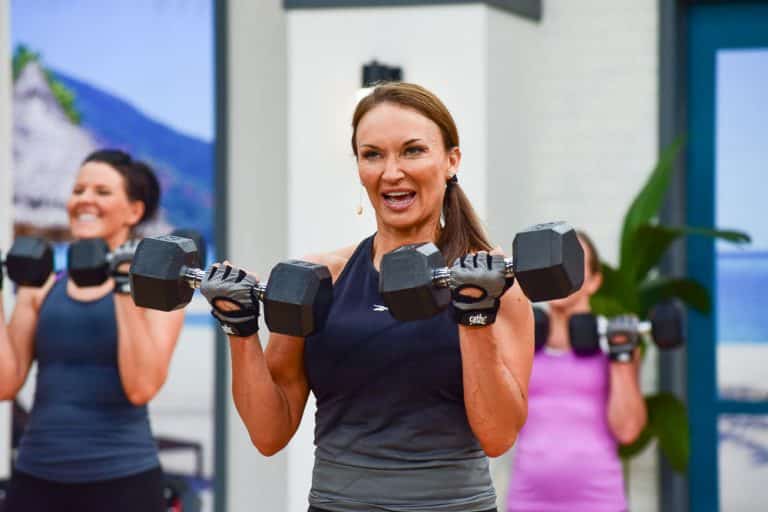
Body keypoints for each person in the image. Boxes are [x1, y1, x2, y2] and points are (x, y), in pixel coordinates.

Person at [200, 82, 535, 512]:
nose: (391, 172)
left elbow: (498, 436)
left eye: (412, 150)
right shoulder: (321, 278)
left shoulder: (493, 284)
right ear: (358, 165)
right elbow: (269, 434)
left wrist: (474, 315)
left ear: (452, 160)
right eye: (373, 154)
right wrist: (240, 329)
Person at [0, 149, 185, 512]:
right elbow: (6, 383)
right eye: (78, 190)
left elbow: (141, 386)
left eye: (102, 192)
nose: (85, 199)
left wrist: (123, 284)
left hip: (123, 481)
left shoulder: (161, 291)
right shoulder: (41, 286)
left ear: (134, 210)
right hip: (36, 477)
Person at [506, 232, 647, 512]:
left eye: (572, 264)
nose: (560, 273)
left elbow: (628, 429)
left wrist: (620, 357)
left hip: (599, 501)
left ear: (595, 281)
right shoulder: (522, 342)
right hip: (527, 501)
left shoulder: (616, 342)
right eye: (554, 264)